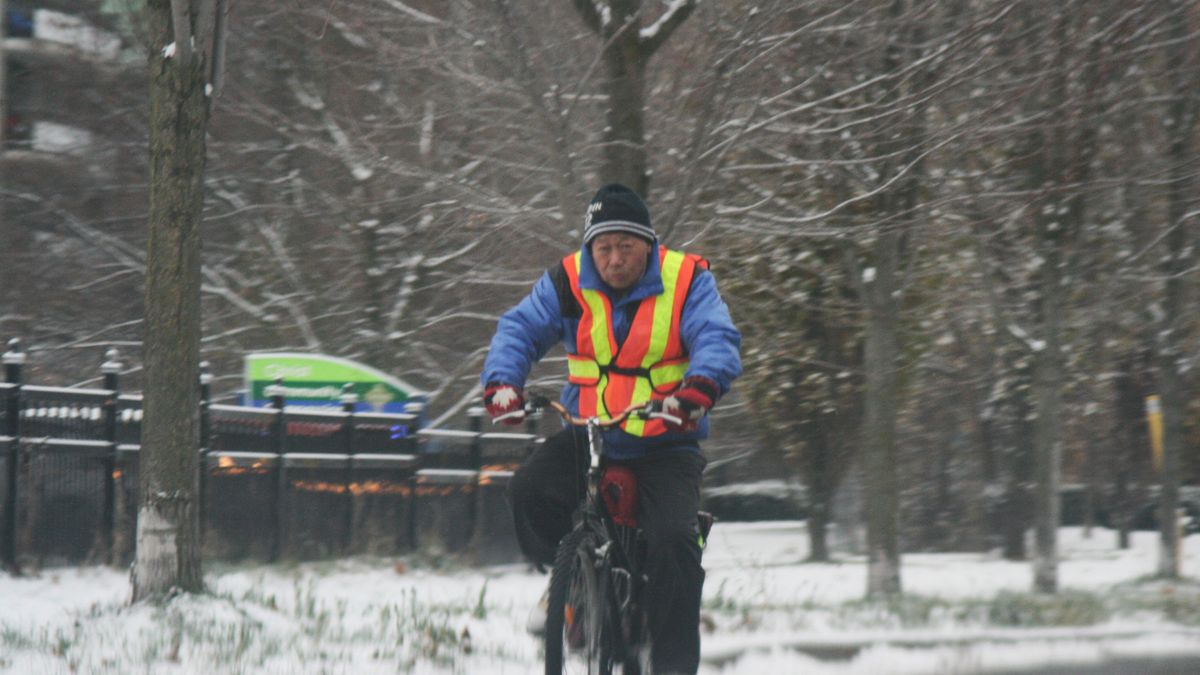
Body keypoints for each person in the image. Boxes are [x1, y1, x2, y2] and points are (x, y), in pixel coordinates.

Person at [480, 183, 741, 675]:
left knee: (672, 545)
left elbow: (717, 337)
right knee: (528, 491)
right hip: (591, 431)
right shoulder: (567, 280)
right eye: (604, 248)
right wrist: (502, 383)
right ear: (589, 248)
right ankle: (573, 584)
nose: (614, 259)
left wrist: (696, 390)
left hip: (667, 439)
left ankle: (671, 665)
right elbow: (520, 328)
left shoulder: (686, 281)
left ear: (648, 244)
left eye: (626, 247)